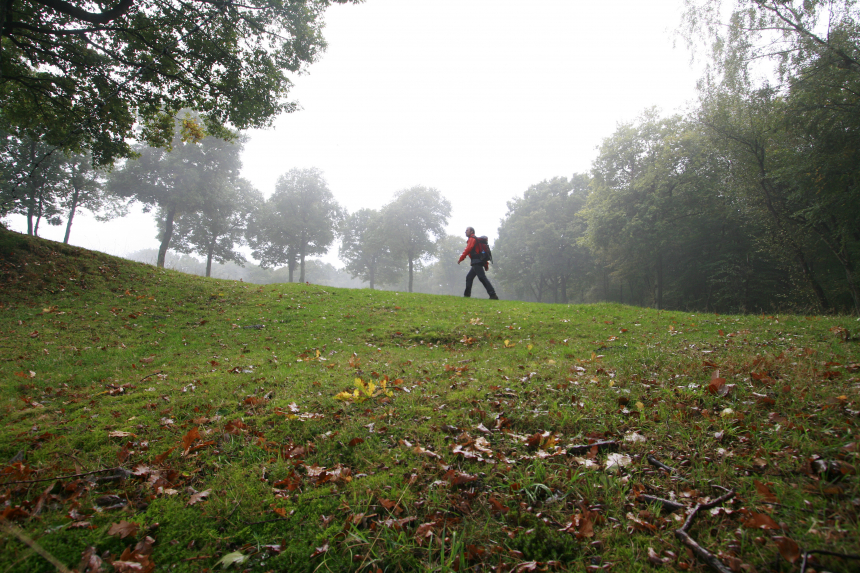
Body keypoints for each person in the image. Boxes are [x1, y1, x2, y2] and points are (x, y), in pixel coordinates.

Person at [457, 227, 499, 299]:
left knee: (482, 278)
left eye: (467, 230)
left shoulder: (472, 239)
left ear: (471, 232)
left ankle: (493, 295)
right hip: (476, 262)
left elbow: (468, 249)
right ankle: (467, 296)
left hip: (476, 262)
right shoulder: (475, 240)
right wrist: (485, 265)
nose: (465, 232)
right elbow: (481, 253)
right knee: (469, 277)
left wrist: (461, 258)